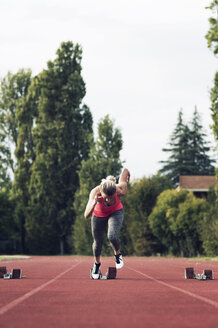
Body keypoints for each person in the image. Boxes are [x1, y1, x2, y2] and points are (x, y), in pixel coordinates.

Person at [84, 168, 130, 279]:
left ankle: (117, 255)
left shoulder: (120, 190)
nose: (109, 200)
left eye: (111, 197)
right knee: (97, 242)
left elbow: (125, 171)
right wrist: (95, 202)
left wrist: (128, 177)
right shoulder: (95, 192)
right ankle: (97, 265)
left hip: (116, 212)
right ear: (101, 192)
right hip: (98, 214)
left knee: (112, 236)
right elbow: (86, 215)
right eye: (106, 198)